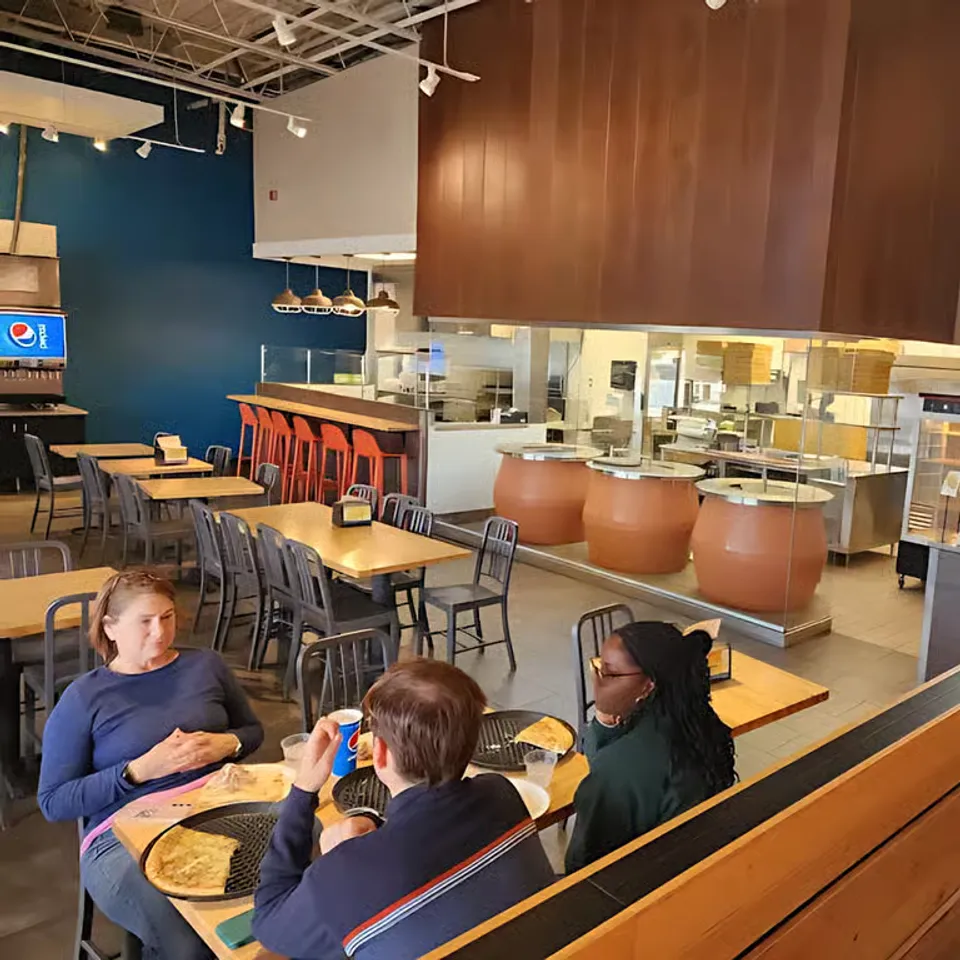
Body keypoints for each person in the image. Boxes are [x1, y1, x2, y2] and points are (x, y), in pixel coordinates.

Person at [253, 659, 555, 959]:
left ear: (379, 754)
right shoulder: (501, 794)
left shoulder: (342, 876)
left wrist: (304, 789)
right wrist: (370, 823)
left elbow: (268, 919)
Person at [38, 569, 264, 960]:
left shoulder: (205, 666)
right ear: (110, 628)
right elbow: (54, 800)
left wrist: (228, 743)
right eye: (144, 622)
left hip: (216, 810)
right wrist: (136, 772)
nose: (159, 633)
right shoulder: (85, 697)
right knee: (190, 942)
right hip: (121, 836)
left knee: (299, 892)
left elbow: (252, 731)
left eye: (167, 617)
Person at [564, 620, 736, 873]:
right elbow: (602, 755)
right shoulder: (698, 724)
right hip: (696, 868)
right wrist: (604, 718)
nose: (597, 682)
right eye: (598, 669)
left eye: (610, 674)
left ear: (648, 686)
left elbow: (581, 865)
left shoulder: (618, 769)